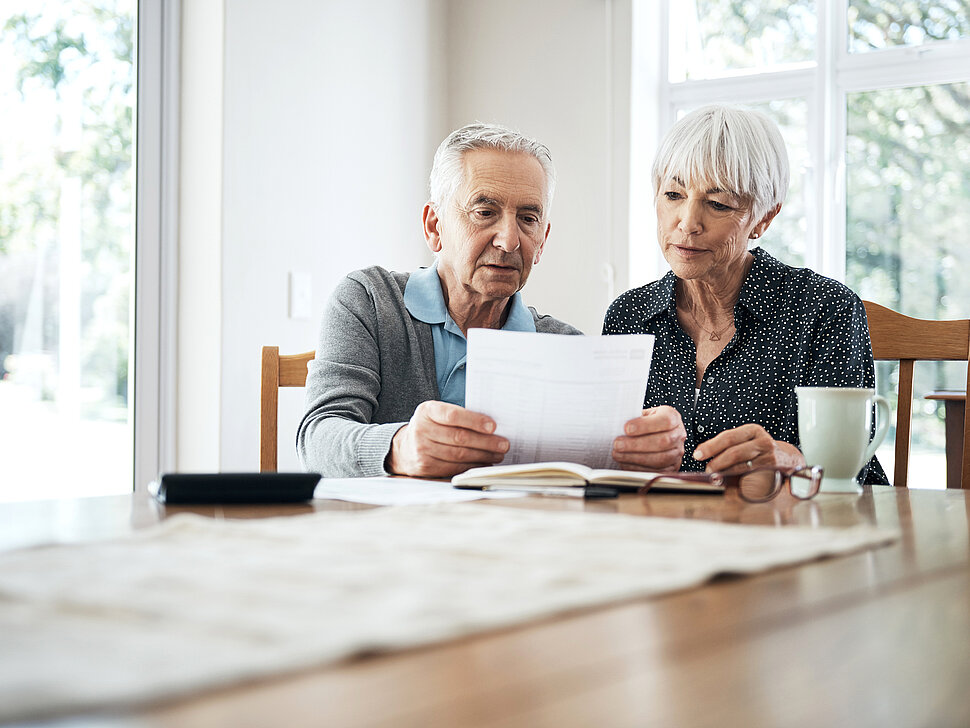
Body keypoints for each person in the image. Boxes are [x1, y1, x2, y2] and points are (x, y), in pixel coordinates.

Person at [299, 123, 686, 478]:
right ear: (435, 227)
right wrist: (399, 448)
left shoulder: (567, 346)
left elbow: (601, 472)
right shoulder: (369, 299)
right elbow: (317, 438)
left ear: (543, 239)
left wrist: (649, 449)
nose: (509, 240)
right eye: (485, 212)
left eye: (528, 219)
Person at [603, 105, 888, 483]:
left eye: (718, 204)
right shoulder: (628, 315)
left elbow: (851, 467)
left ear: (764, 218)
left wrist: (792, 461)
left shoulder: (824, 308)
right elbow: (606, 460)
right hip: (666, 529)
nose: (687, 223)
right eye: (673, 194)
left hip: (796, 526)